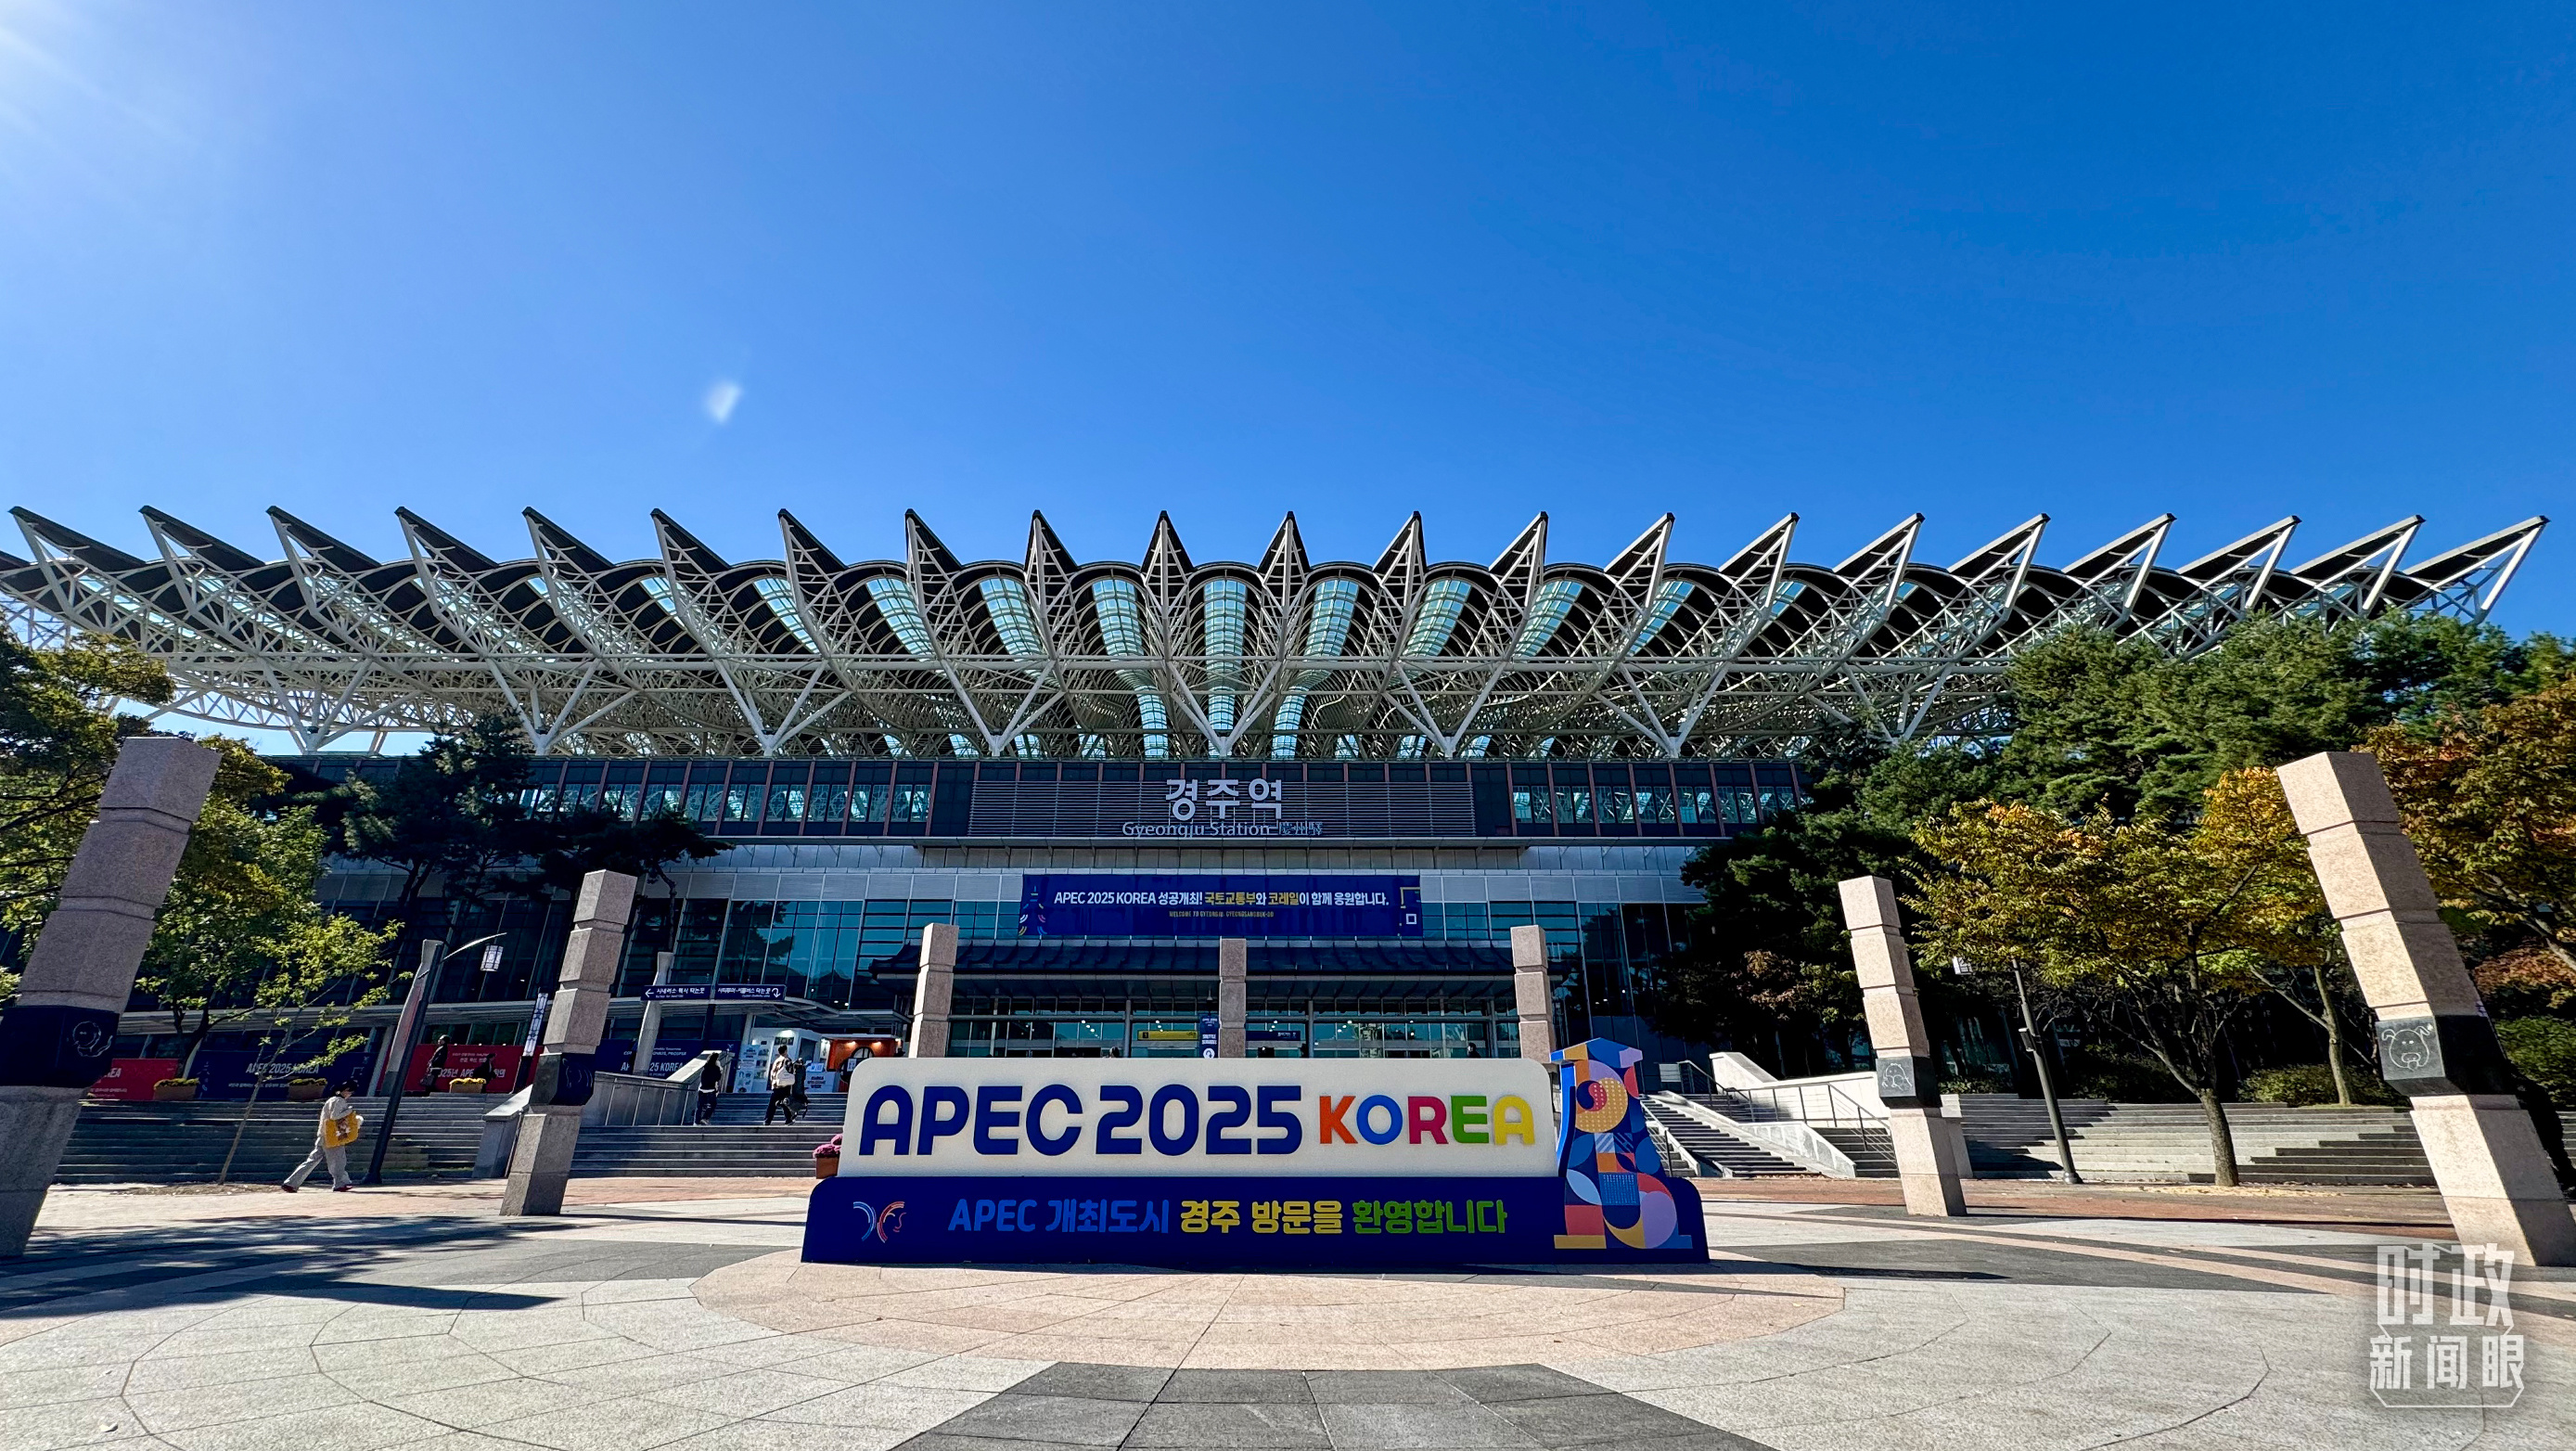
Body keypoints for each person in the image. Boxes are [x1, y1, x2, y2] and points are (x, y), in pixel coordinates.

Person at [281, 1082, 362, 1193]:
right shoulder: (339, 1101)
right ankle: (341, 1183)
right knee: (339, 1161)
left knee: (312, 1160)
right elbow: (335, 1116)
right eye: (350, 1092)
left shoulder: (331, 1100)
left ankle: (291, 1183)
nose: (350, 1094)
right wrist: (349, 1111)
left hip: (323, 1135)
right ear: (346, 1090)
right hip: (333, 1136)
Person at [765, 1047, 800, 1124]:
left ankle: (767, 1120)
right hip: (784, 1085)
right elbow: (790, 1070)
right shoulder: (786, 1060)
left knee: (772, 1104)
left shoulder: (776, 1061)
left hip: (776, 1085)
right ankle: (789, 1119)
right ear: (785, 1051)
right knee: (786, 1102)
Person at [695, 1052, 724, 1124]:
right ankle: (705, 1118)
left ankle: (697, 1120)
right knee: (712, 1104)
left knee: (700, 1106)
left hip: (702, 1089)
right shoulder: (716, 1068)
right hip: (710, 1090)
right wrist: (720, 1069)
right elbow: (717, 1078)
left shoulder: (706, 1067)